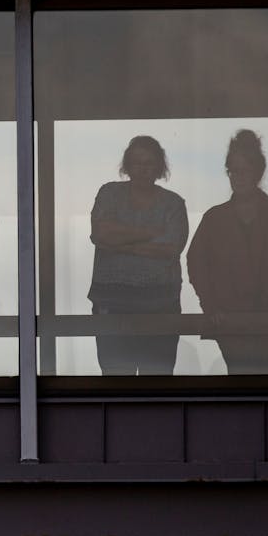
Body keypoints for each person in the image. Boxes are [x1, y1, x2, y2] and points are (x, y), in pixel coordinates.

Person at [186, 129, 268, 374]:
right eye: (232, 171)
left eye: (243, 170)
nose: (237, 176)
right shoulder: (215, 218)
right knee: (243, 392)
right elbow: (196, 264)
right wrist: (211, 305)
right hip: (234, 327)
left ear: (258, 172)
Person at [88, 135, 188, 374]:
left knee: (156, 389)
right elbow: (101, 234)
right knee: (115, 386)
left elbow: (171, 248)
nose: (142, 169)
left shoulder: (173, 204)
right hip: (112, 309)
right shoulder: (109, 193)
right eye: (136, 162)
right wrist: (150, 233)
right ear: (127, 165)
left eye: (149, 163)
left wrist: (122, 245)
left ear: (159, 166)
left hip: (162, 307)